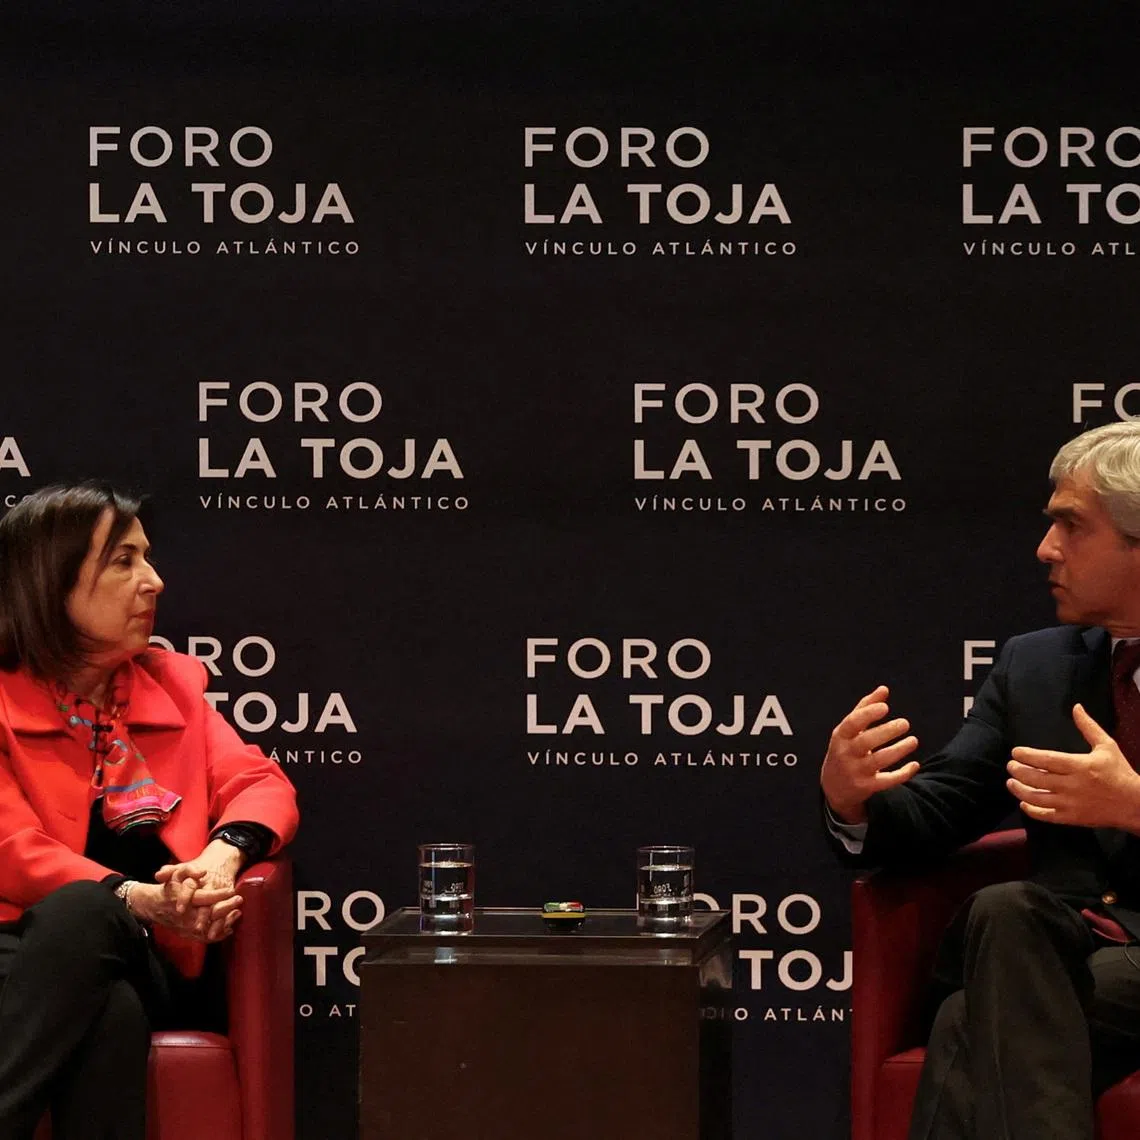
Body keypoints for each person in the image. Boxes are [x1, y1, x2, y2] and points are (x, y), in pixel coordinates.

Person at [822, 420, 1140, 1140]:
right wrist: (855, 800)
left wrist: (1134, 806)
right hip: (1056, 947)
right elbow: (943, 807)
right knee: (1003, 912)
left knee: (972, 1020)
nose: (1045, 549)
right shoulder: (1037, 666)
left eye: (1070, 526)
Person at [0, 483, 299, 1140]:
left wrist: (219, 862)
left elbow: (261, 784)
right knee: (112, 1010)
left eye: (148, 558)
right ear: (51, 580)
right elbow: (10, 848)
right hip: (18, 952)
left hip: (152, 951)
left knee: (91, 917)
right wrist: (138, 896)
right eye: (124, 561)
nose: (154, 582)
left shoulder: (170, 686)